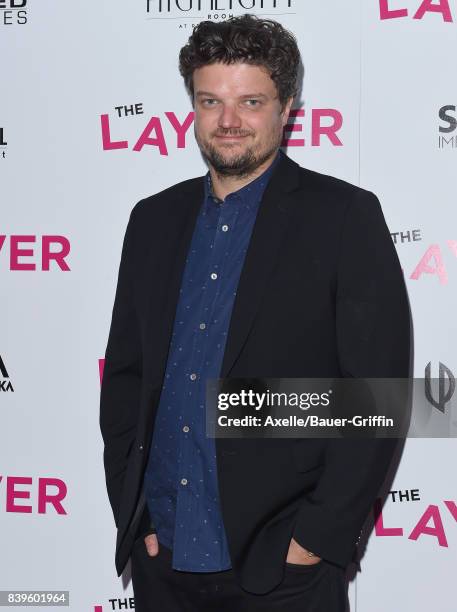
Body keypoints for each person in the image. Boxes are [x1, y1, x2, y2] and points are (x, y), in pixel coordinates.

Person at [100, 14, 410, 612]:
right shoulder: (153, 221)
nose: (229, 121)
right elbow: (126, 379)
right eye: (210, 100)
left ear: (287, 105)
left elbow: (377, 395)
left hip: (282, 568)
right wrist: (134, 512)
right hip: (163, 557)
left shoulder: (343, 217)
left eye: (250, 101)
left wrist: (316, 538)